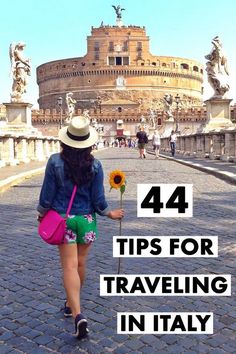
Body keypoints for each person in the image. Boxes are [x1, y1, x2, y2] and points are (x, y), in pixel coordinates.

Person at [37, 116, 124, 339]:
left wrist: (42, 213)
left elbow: (47, 195)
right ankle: (69, 303)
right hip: (86, 220)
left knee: (69, 266)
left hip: (64, 220)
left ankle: (77, 314)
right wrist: (109, 213)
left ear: (66, 141)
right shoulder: (95, 165)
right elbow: (98, 199)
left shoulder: (55, 161)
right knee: (81, 264)